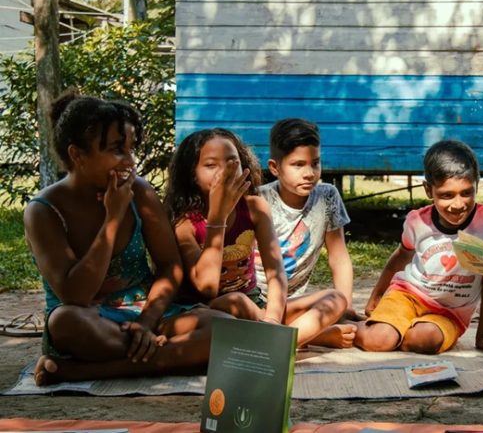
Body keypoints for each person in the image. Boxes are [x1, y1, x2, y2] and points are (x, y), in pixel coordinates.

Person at [24, 91, 229, 386]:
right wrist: (112, 218)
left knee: (227, 329)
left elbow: (170, 265)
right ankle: (169, 358)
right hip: (90, 321)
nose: (130, 161)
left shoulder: (141, 192)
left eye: (132, 149)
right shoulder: (43, 211)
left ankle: (86, 371)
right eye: (117, 149)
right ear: (77, 155)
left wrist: (146, 323)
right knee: (64, 322)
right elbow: (75, 295)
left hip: (148, 313)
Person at [355, 140, 483, 354]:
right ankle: (351, 325)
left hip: (450, 313)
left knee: (424, 340)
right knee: (378, 340)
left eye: (467, 192)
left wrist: (482, 335)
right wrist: (377, 295)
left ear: (477, 184)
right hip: (407, 295)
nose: (458, 204)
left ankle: (397, 330)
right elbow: (401, 257)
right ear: (429, 190)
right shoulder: (417, 221)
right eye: (446, 195)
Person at [165, 128, 289, 328]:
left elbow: (276, 272)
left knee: (332, 300)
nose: (226, 171)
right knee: (235, 302)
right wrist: (218, 216)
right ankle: (295, 335)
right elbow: (206, 287)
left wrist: (272, 319)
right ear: (192, 174)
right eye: (211, 165)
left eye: (233, 162)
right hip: (201, 310)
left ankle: (270, 331)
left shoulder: (255, 208)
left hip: (252, 302)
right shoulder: (185, 223)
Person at [258, 118, 357, 348]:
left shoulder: (327, 197)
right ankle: (304, 338)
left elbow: (339, 258)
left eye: (315, 163)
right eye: (298, 164)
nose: (309, 173)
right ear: (275, 167)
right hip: (255, 301)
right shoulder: (259, 200)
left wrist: (345, 307)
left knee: (336, 300)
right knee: (229, 309)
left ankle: (287, 338)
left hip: (293, 305)